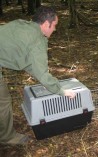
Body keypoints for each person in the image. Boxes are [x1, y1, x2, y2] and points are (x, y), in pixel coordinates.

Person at [0, 6, 76, 145]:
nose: (55, 29)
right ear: (47, 24)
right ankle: (7, 137)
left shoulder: (23, 25)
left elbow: (30, 64)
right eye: (54, 25)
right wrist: (62, 91)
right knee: (3, 101)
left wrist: (46, 80)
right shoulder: (37, 40)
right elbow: (41, 72)